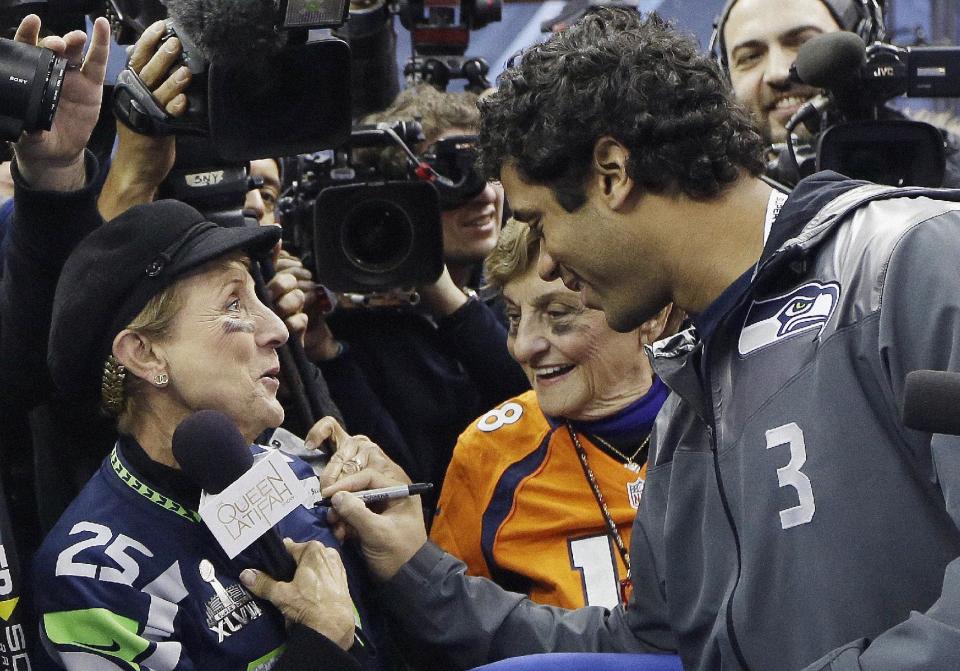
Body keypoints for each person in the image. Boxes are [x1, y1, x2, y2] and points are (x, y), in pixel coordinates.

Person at [316, 7, 960, 670]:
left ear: (614, 173)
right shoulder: (690, 402)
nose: (547, 263)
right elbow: (652, 647)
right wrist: (415, 569)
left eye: (539, 220)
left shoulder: (909, 260)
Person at [30, 198, 391, 670]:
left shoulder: (300, 475)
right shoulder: (90, 580)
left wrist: (405, 556)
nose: (278, 328)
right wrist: (319, 643)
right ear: (145, 354)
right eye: (234, 303)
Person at [430, 219, 677, 609]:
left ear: (651, 314)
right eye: (513, 317)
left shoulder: (730, 417)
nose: (523, 346)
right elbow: (451, 628)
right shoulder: (489, 453)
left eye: (559, 314)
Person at [311, 84, 529, 510]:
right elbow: (402, 481)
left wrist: (443, 293)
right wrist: (328, 353)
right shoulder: (353, 324)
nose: (483, 196)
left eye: (487, 173)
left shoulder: (524, 291)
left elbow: (536, 402)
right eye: (451, 178)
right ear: (397, 198)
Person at [710, 0, 960, 187]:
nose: (778, 73)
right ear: (725, 77)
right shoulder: (706, 195)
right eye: (750, 57)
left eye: (804, 44)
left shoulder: (950, 167)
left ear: (865, 44)